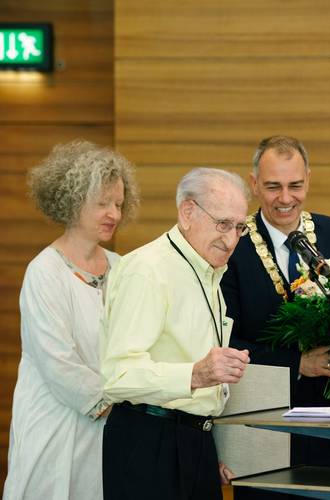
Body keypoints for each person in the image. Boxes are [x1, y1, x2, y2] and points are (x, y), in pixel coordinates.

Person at [100, 167, 250, 500]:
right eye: (223, 224)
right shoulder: (148, 269)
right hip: (149, 440)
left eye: (240, 227)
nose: (231, 239)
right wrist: (196, 374)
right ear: (187, 213)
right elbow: (118, 375)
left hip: (194, 440)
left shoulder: (208, 270)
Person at [3, 140, 139, 500]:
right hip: (56, 425)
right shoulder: (44, 271)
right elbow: (58, 361)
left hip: (111, 428)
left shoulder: (122, 267)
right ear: (72, 201)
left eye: (119, 204)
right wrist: (124, 405)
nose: (113, 213)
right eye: (102, 203)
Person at [221, 135, 330, 499]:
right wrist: (297, 362)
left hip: (326, 423)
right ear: (253, 184)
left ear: (308, 179)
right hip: (261, 425)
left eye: (295, 185)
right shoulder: (233, 243)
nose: (285, 198)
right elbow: (226, 341)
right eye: (273, 187)